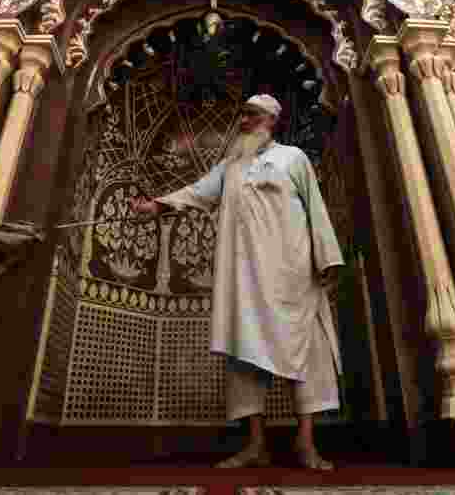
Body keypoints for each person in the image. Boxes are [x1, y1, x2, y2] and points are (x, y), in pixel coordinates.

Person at [131, 94, 343, 470]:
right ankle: (255, 445)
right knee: (246, 356)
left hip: (292, 271)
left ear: (271, 120)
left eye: (251, 114)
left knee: (306, 355)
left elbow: (316, 208)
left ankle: (306, 444)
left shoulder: (293, 158)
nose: (242, 120)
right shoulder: (230, 166)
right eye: (242, 114)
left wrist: (326, 259)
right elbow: (197, 193)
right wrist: (156, 206)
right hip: (245, 277)